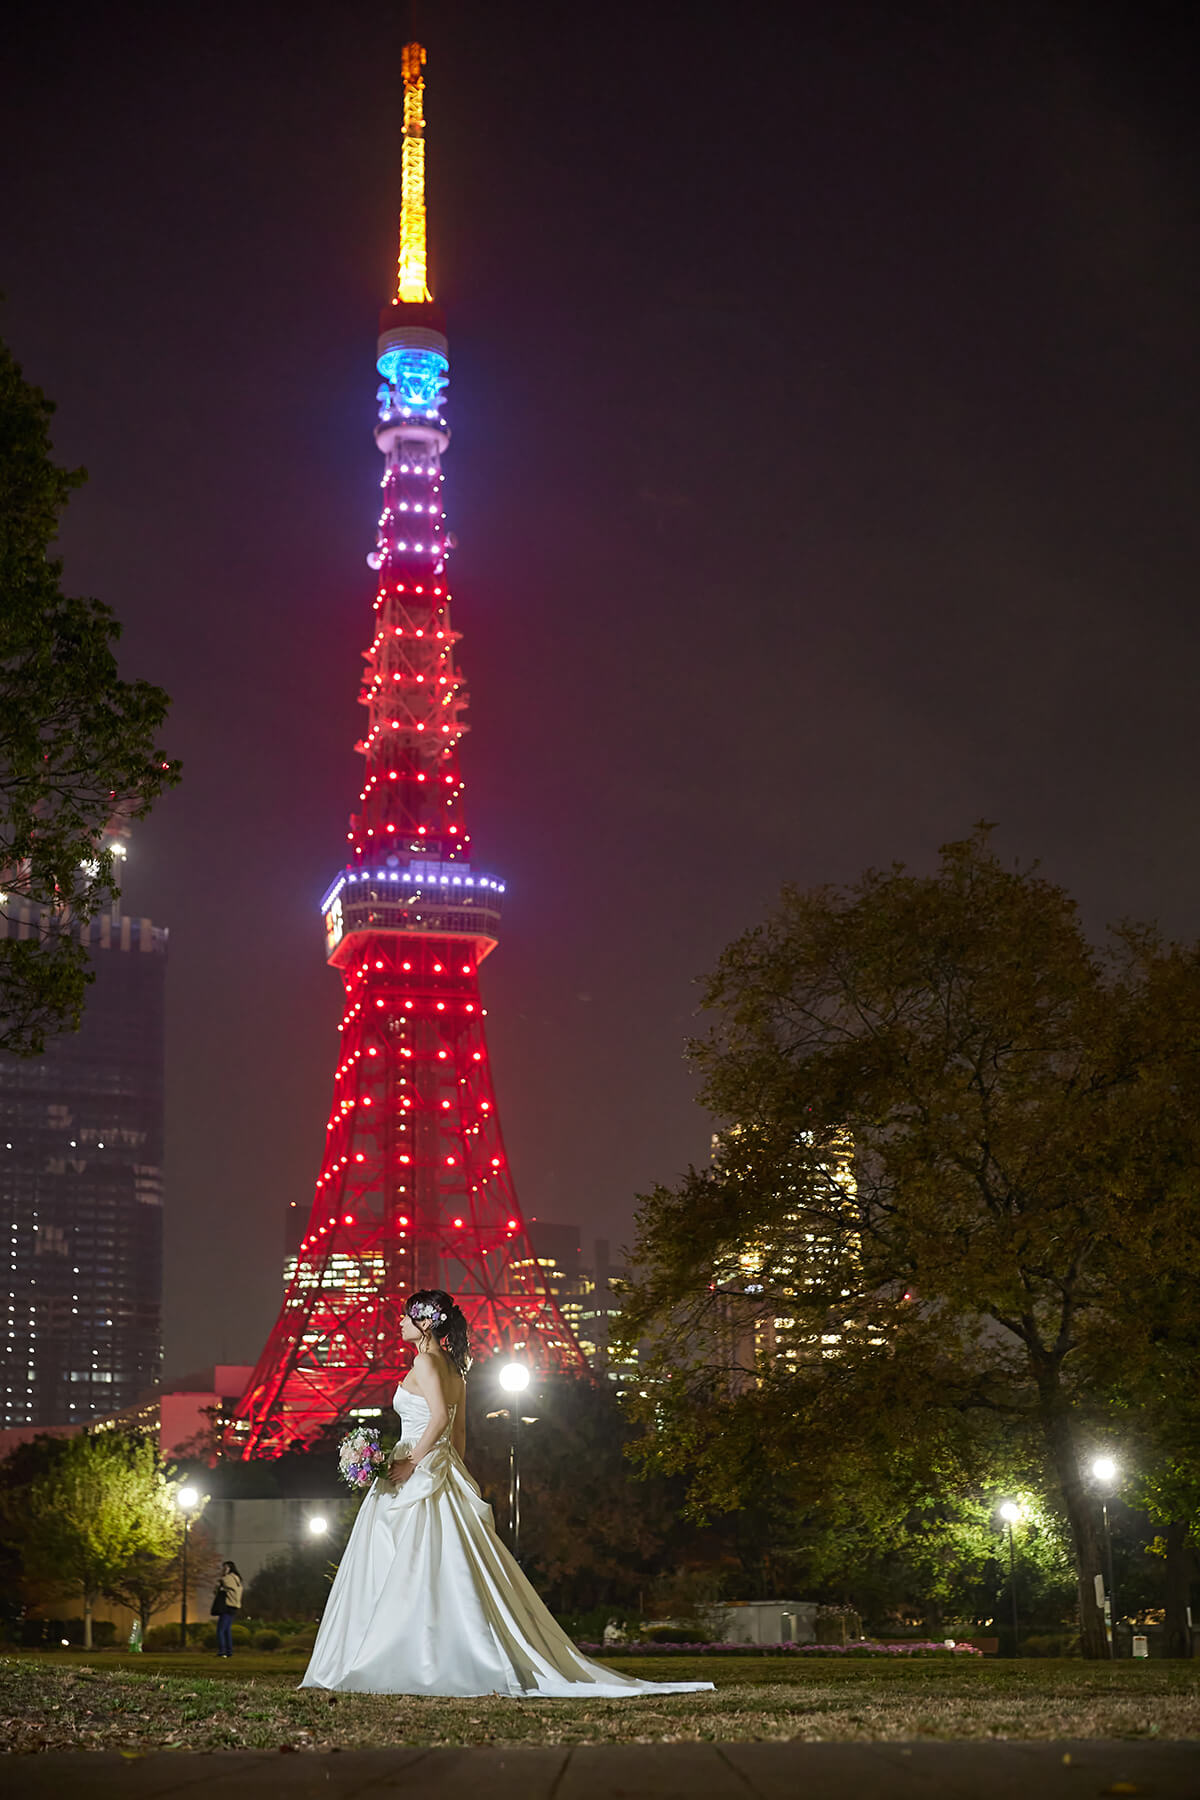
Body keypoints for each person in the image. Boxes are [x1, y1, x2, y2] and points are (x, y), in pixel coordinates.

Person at [301, 1289, 714, 1698]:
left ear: (427, 1322)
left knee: (404, 1563)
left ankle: (402, 1652)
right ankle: (427, 1648)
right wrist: (453, 1471)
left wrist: (412, 1464)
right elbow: (458, 1432)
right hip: (436, 1466)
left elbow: (442, 1418)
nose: (400, 1321)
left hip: (416, 1464)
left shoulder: (426, 1361)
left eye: (408, 1315)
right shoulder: (454, 1368)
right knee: (441, 1565)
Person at [211, 1560, 243, 1657]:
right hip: (234, 1607)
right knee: (227, 1630)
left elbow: (217, 1589)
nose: (223, 1569)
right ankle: (229, 1651)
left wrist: (221, 1581)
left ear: (229, 1568)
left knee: (220, 1630)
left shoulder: (227, 1578)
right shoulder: (237, 1579)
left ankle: (222, 1651)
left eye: (225, 1567)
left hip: (227, 1606)